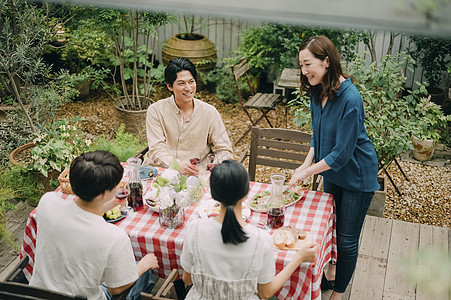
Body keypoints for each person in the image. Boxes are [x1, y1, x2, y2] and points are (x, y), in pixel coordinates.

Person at [288, 35, 380, 300]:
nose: (304, 72)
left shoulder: (351, 98)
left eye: (308, 64)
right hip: (330, 170)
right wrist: (304, 164)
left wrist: (306, 173)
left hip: (357, 174)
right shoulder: (317, 92)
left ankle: (339, 293)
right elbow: (317, 135)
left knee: (347, 238)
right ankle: (330, 272)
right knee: (330, 227)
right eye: (301, 66)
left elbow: (341, 154)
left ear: (326, 61)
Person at [29, 150, 159, 300]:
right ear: (104, 192)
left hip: (39, 294)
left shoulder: (47, 202)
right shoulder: (114, 237)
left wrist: (105, 205)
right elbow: (116, 288)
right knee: (143, 271)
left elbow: (78, 218)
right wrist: (145, 264)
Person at [180, 160, 318, 299]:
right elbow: (265, 293)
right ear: (247, 193)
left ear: (213, 193)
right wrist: (299, 258)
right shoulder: (260, 239)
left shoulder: (195, 229)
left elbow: (187, 279)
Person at [144, 57, 233, 176]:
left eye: (191, 82)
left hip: (195, 175)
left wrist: (216, 163)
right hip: (160, 173)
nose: (188, 88)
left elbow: (224, 149)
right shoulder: (156, 111)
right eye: (181, 83)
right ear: (169, 86)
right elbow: (156, 150)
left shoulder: (209, 112)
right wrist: (176, 165)